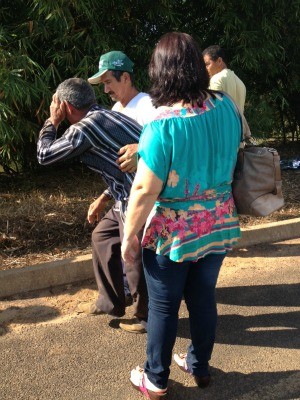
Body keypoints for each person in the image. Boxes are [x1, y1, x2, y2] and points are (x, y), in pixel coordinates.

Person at [121, 32, 243, 398]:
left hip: (171, 234)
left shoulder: (162, 124)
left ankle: (156, 379)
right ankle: (199, 366)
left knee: (163, 305)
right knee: (203, 296)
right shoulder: (226, 107)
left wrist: (129, 237)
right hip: (218, 222)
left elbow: (144, 190)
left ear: (161, 72)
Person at [37, 77, 148, 333]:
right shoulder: (103, 115)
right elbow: (119, 167)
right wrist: (104, 197)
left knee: (133, 255)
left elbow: (44, 155)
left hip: (140, 196)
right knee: (102, 236)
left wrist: (52, 121)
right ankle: (110, 301)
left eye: (56, 104)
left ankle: (145, 316)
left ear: (64, 105)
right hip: (127, 190)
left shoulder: (85, 128)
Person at [88, 50, 156, 126]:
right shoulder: (116, 108)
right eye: (104, 84)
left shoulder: (147, 107)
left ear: (125, 78)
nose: (105, 90)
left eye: (108, 82)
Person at [202, 45, 246, 112]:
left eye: (207, 64)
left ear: (219, 61)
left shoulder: (216, 79)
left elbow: (213, 111)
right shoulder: (240, 82)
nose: (205, 69)